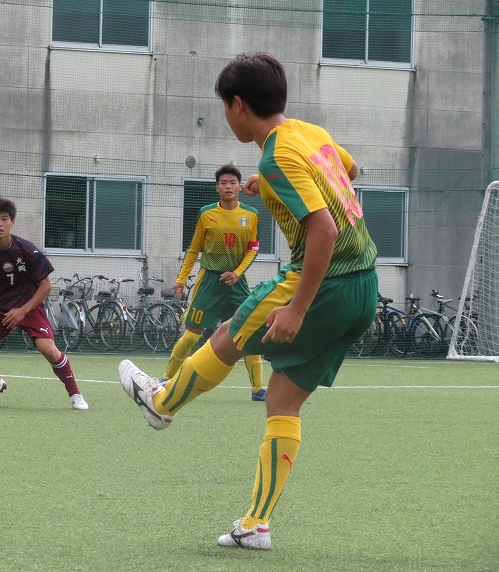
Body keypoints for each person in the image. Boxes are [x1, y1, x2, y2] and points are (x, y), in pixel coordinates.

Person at [118, 53, 378, 550]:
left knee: (227, 334)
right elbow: (348, 168)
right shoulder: (309, 133)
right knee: (283, 401)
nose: (225, 115)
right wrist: (274, 187)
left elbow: (323, 230)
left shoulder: (275, 158)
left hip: (322, 281)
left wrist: (298, 308)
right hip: (363, 288)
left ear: (238, 105)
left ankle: (162, 403)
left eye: (224, 106)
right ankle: (256, 525)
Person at [0, 197, 88, 410]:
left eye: (4, 219)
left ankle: (75, 394)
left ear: (12, 222)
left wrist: (23, 311)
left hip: (29, 307)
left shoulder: (27, 249)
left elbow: (46, 286)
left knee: (49, 351)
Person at [164, 164, 265, 401]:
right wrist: (181, 279)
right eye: (223, 183)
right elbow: (194, 249)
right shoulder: (206, 213)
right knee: (192, 335)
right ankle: (165, 380)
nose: (228, 186)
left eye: (232, 182)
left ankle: (258, 390)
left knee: (248, 335)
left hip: (237, 283)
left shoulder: (251, 215)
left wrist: (237, 272)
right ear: (216, 188)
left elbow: (252, 250)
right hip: (209, 281)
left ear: (240, 187)